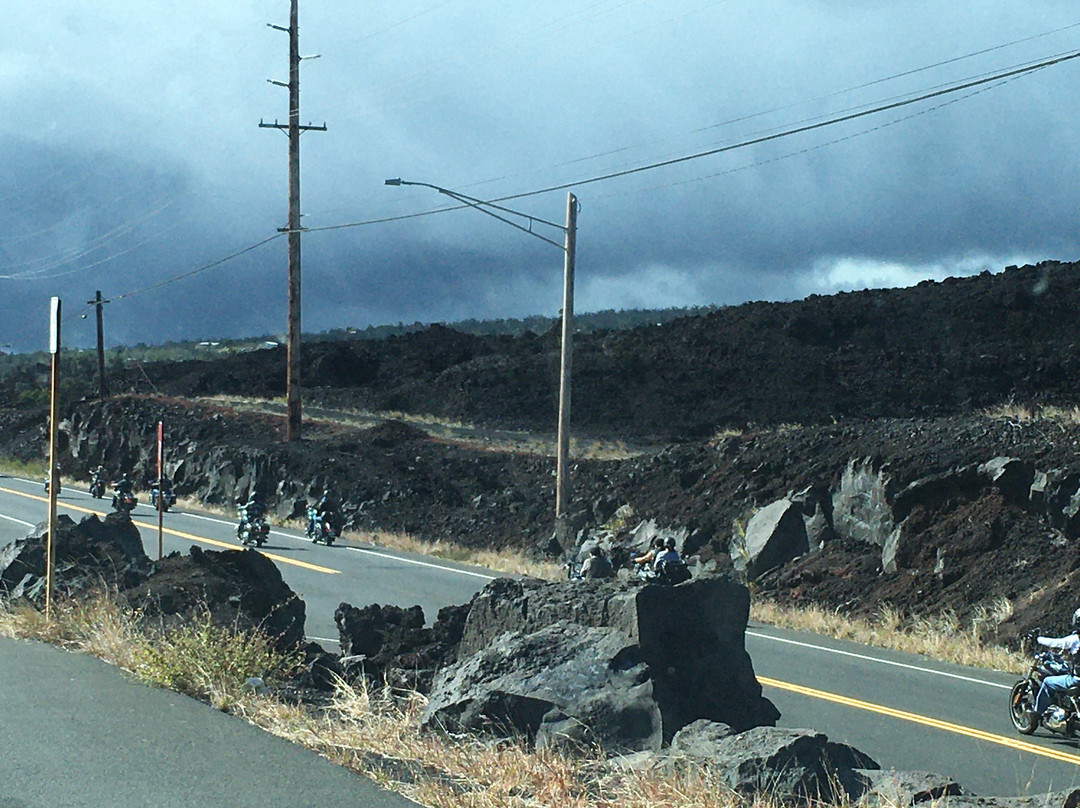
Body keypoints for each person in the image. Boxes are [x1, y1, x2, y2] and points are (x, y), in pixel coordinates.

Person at [1033, 609, 1080, 722]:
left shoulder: (1076, 639)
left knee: (1047, 682)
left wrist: (1038, 639)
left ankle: (1037, 714)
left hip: (1077, 680)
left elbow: (1056, 643)